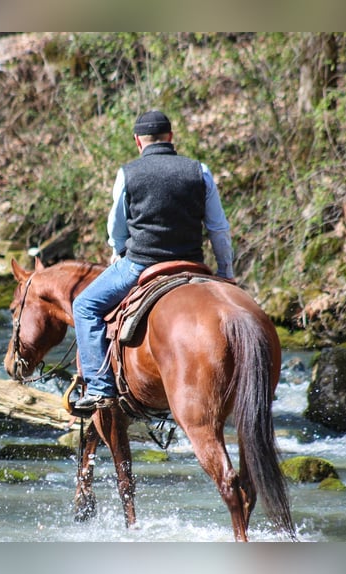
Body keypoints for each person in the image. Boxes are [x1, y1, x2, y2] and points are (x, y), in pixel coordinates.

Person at [72, 110, 235, 412]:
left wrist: (118, 251)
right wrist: (226, 272)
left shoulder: (128, 173)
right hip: (192, 264)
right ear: (171, 138)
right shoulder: (199, 169)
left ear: (138, 141)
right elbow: (218, 229)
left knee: (84, 306)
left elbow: (117, 229)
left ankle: (99, 388)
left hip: (140, 265)